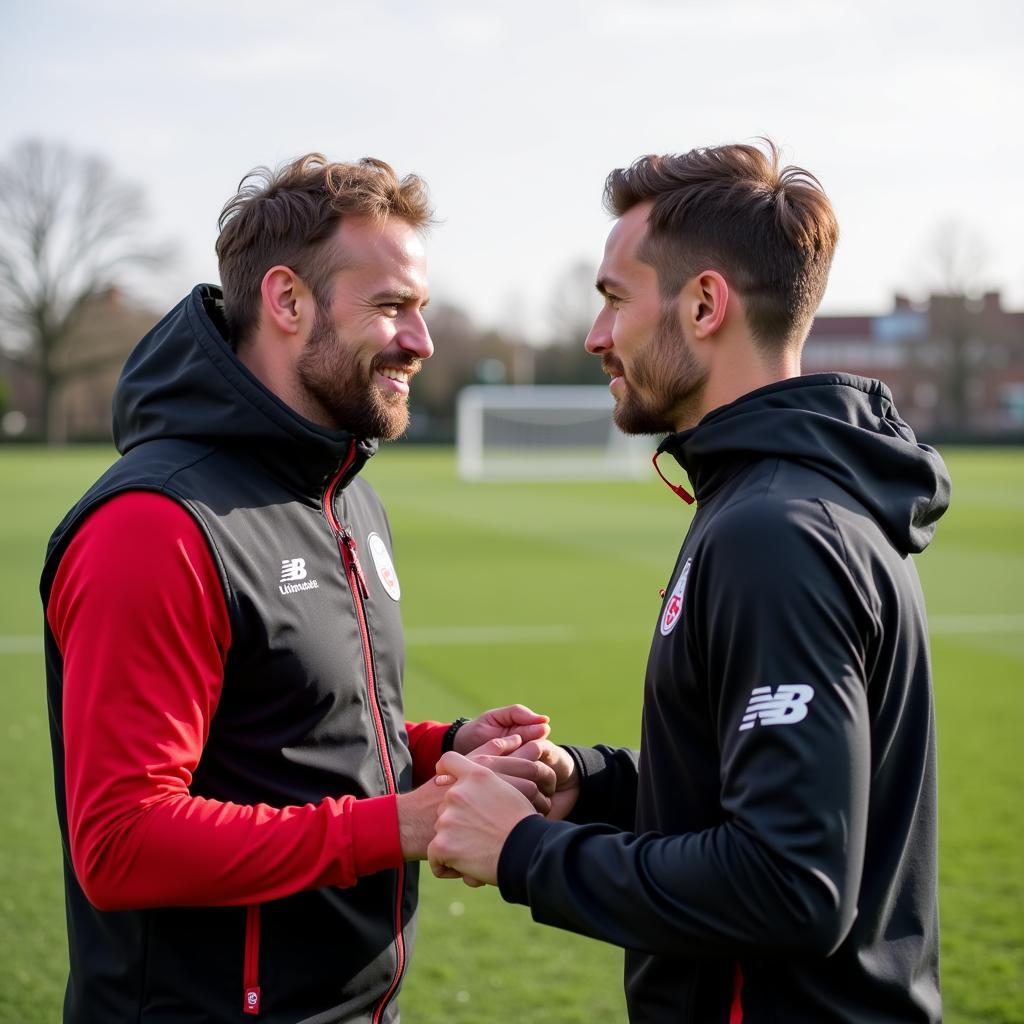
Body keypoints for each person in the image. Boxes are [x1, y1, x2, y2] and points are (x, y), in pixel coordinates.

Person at [428, 141, 950, 1023]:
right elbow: (749, 789)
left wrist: (524, 852)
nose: (596, 336)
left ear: (705, 303)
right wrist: (587, 785)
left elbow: (790, 884)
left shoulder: (776, 534)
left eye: (613, 300)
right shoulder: (765, 502)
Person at [40, 153, 557, 1024]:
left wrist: (443, 751)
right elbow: (121, 841)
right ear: (286, 301)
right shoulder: (155, 525)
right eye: (392, 307)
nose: (421, 343)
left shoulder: (351, 498)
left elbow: (301, 734)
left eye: (421, 309)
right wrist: (399, 825)